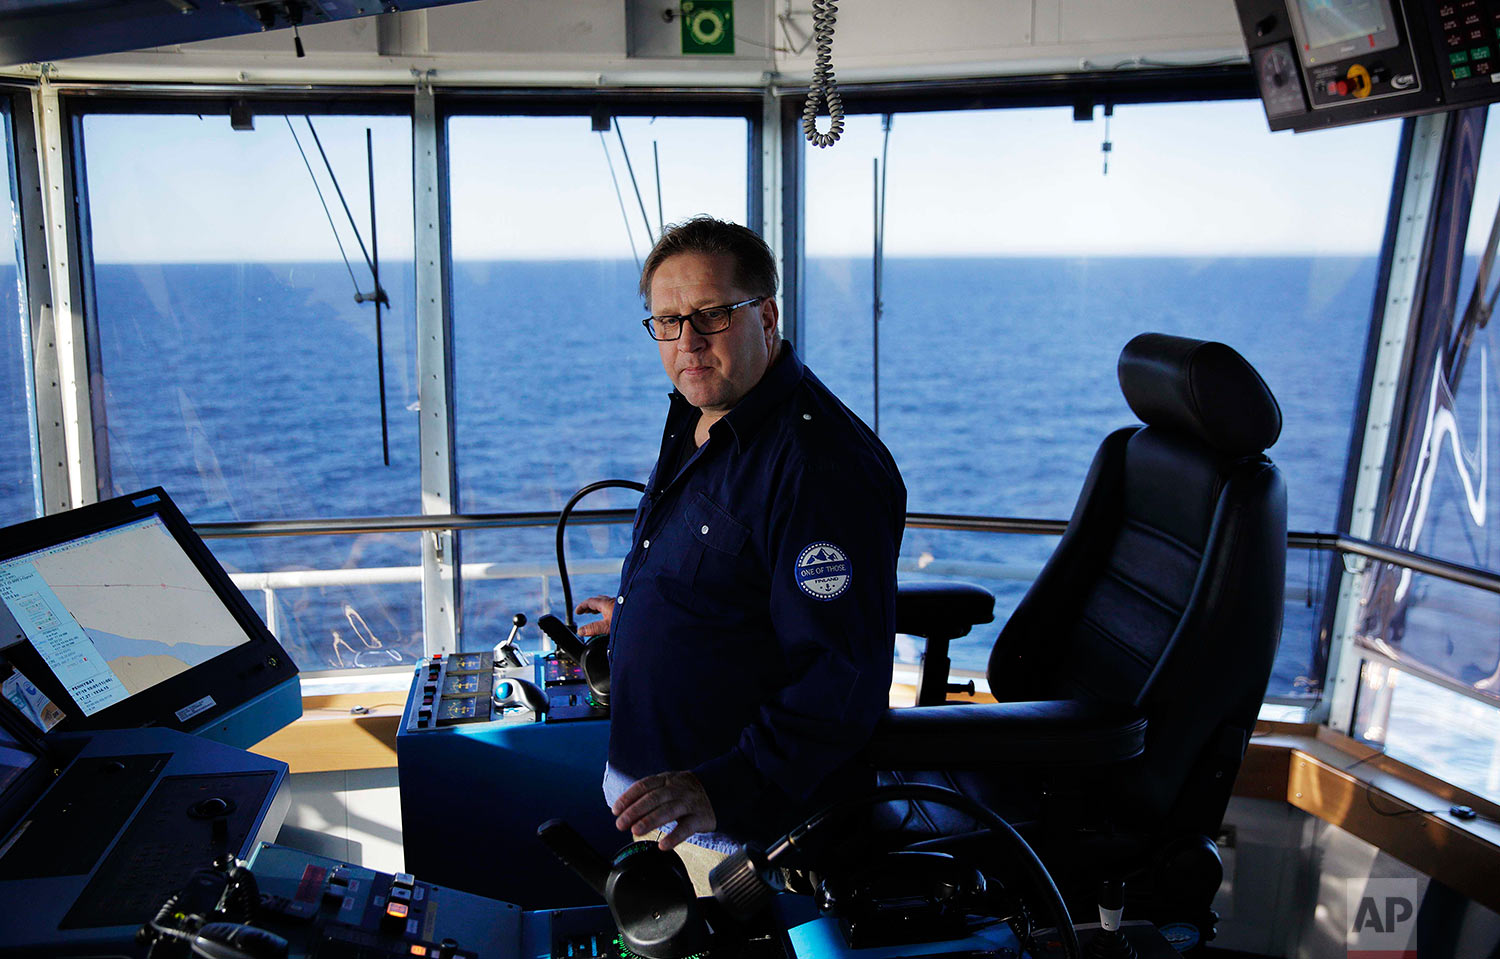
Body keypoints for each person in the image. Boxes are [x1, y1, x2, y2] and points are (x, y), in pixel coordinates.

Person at [573, 216, 906, 887]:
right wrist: (642, 608)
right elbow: (732, 568)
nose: (687, 341)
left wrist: (719, 788)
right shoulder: (704, 415)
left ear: (767, 316)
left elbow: (839, 679)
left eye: (712, 314)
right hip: (668, 815)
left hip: (737, 835)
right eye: (666, 321)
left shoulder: (818, 468)